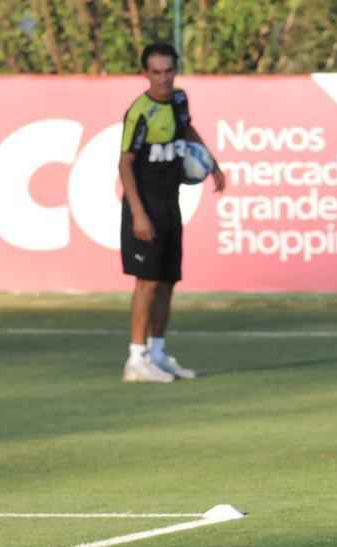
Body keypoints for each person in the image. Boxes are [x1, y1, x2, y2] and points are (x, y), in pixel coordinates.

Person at [118, 42, 225, 383]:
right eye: (156, 72)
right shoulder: (140, 112)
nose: (163, 78)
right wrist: (138, 213)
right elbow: (125, 164)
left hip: (170, 204)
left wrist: (213, 164)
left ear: (175, 70)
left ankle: (158, 354)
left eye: (169, 71)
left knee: (166, 281)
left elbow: (187, 130)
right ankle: (136, 359)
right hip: (144, 205)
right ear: (146, 74)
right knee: (146, 282)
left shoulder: (179, 101)